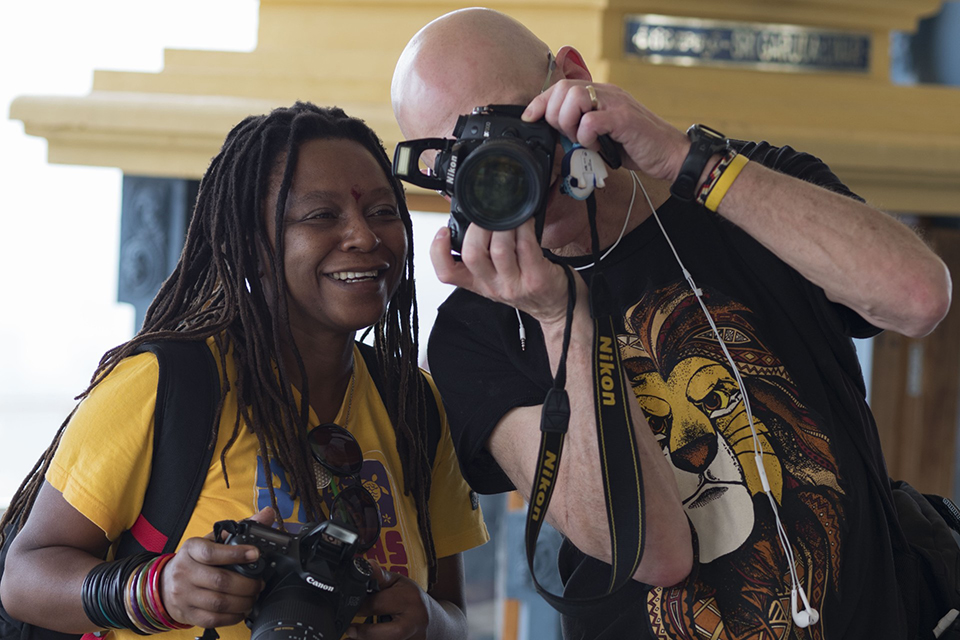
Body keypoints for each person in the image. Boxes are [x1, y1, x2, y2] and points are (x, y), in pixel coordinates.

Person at [390, 7, 953, 639]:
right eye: (458, 157)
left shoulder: (745, 190)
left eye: (508, 127)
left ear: (571, 81)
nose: (497, 168)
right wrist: (558, 316)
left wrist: (691, 163)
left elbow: (918, 297)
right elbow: (654, 551)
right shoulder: (475, 332)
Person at [0, 102, 488, 640]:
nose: (364, 237)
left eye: (382, 211)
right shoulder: (166, 385)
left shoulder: (412, 404)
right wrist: (159, 592)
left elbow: (454, 612)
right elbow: (24, 577)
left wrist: (430, 622)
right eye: (321, 216)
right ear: (251, 247)